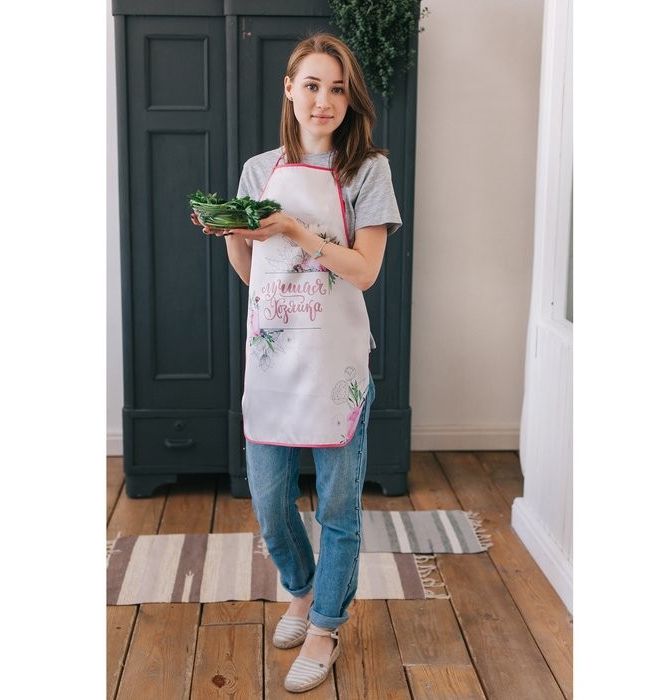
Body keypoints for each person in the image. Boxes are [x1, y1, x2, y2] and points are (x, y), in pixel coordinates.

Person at [192, 33, 401, 693]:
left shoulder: (367, 170)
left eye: (337, 89)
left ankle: (324, 627)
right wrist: (234, 235)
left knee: (338, 507)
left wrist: (294, 230)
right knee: (271, 503)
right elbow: (255, 274)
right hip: (275, 362)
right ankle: (304, 590)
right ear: (289, 89)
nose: (324, 101)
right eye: (312, 85)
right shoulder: (260, 171)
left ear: (349, 98)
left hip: (336, 364)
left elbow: (364, 271)